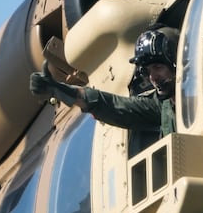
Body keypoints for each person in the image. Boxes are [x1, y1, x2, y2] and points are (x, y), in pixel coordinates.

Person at [30, 28, 178, 138]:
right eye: (147, 72)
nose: (153, 77)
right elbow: (110, 105)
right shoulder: (161, 107)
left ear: (175, 63)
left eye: (158, 67)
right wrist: (58, 89)